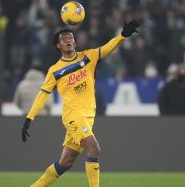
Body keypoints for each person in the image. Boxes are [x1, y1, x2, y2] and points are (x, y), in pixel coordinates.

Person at [21, 20, 139, 187]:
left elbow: (107, 48)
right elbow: (43, 95)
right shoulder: (55, 70)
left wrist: (122, 35)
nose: (68, 40)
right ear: (58, 46)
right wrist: (29, 119)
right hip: (73, 116)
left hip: (88, 116)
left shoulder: (88, 57)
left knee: (65, 163)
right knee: (94, 149)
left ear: (75, 42)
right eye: (63, 39)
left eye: (70, 37)